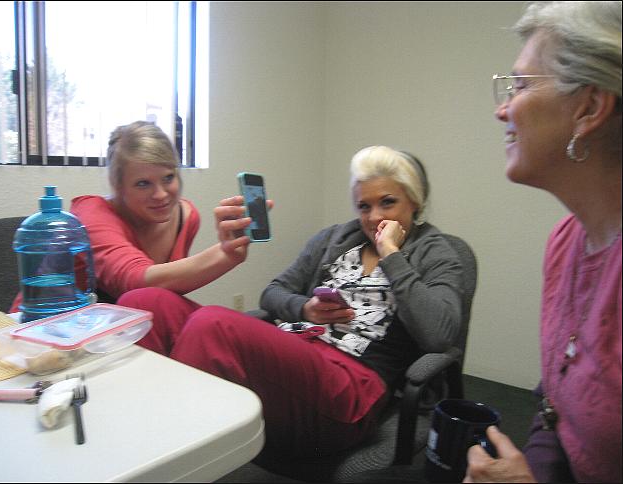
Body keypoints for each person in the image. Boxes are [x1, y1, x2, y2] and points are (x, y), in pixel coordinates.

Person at [117, 145, 464, 457]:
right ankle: (140, 433)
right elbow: (274, 292)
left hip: (351, 387)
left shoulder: (438, 253)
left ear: (414, 201)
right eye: (364, 206)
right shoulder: (336, 238)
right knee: (146, 302)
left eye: (387, 202)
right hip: (295, 350)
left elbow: (439, 335)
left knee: (212, 326)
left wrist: (391, 253)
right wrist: (305, 308)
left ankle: (169, 451)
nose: (374, 217)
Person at [465, 2, 621, 483]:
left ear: (589, 108)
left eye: (520, 85)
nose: (502, 109)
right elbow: (557, 404)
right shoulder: (565, 241)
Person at [9, 120, 260, 311]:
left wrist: (230, 249)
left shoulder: (186, 216)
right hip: (45, 328)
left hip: (119, 334)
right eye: (143, 184)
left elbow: (163, 293)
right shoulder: (92, 214)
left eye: (168, 178)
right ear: (118, 186)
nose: (161, 194)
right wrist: (225, 254)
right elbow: (135, 284)